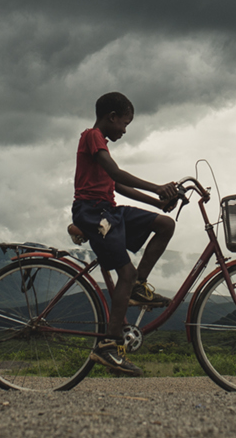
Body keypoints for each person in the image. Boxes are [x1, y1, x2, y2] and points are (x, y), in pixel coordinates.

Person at [71, 91, 178, 376]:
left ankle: (137, 288)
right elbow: (116, 174)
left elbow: (116, 186)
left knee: (166, 224)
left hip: (109, 210)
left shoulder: (101, 146)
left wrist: (158, 203)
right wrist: (156, 187)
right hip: (93, 213)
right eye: (125, 123)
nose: (125, 130)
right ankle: (108, 345)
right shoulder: (92, 136)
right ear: (112, 117)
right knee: (125, 273)